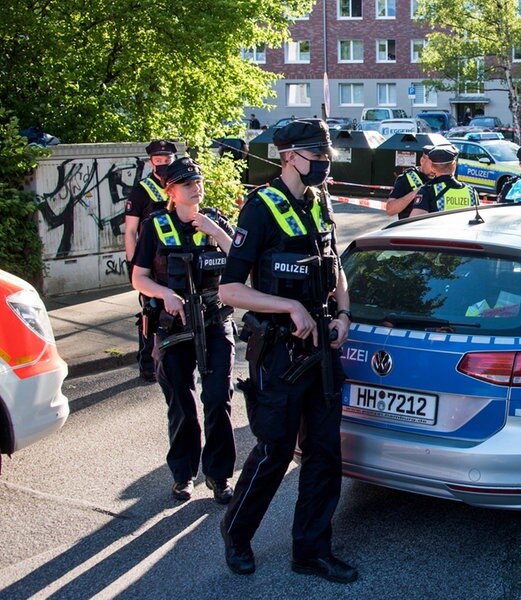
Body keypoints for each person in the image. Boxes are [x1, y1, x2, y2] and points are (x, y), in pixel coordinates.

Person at [217, 120, 358, 583]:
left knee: (324, 453)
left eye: (327, 153)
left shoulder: (319, 201)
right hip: (279, 352)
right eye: (317, 153)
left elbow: (335, 263)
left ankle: (311, 551)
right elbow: (230, 291)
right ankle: (237, 533)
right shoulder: (260, 207)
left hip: (323, 348)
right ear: (289, 156)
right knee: (275, 449)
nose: (325, 161)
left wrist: (342, 315)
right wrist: (288, 305)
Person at [130, 157, 237, 504]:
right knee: (182, 404)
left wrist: (216, 232)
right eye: (187, 184)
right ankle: (183, 474)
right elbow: (139, 277)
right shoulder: (155, 226)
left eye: (198, 181)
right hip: (173, 325)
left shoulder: (216, 222)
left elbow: (240, 262)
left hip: (214, 320)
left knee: (218, 398)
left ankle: (219, 476)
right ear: (171, 192)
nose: (196, 187)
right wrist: (165, 294)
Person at [125, 140, 177, 382]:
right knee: (150, 313)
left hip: (175, 264)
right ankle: (147, 364)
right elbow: (130, 231)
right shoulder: (142, 190)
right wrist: (134, 264)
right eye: (159, 162)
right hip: (149, 262)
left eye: (167, 161)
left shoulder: (180, 185)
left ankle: (171, 361)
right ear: (151, 163)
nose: (163, 165)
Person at [409, 145, 479, 216]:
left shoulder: (428, 190)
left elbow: (415, 221)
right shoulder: (471, 192)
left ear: (432, 167)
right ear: (454, 165)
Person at [385, 144, 433, 219]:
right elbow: (390, 210)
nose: (434, 169)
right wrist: (416, 193)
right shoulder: (406, 178)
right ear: (422, 161)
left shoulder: (441, 177)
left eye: (437, 165)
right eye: (432, 165)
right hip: (410, 227)